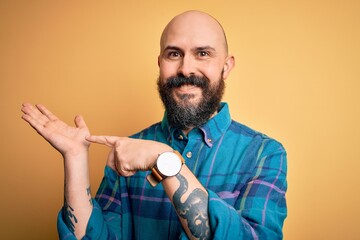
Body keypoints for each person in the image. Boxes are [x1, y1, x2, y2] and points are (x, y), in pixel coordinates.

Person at [21, 10, 287, 240]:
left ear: (226, 67)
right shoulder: (127, 152)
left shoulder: (264, 154)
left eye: (203, 53)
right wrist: (76, 160)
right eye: (174, 54)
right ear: (160, 64)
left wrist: (164, 160)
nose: (186, 68)